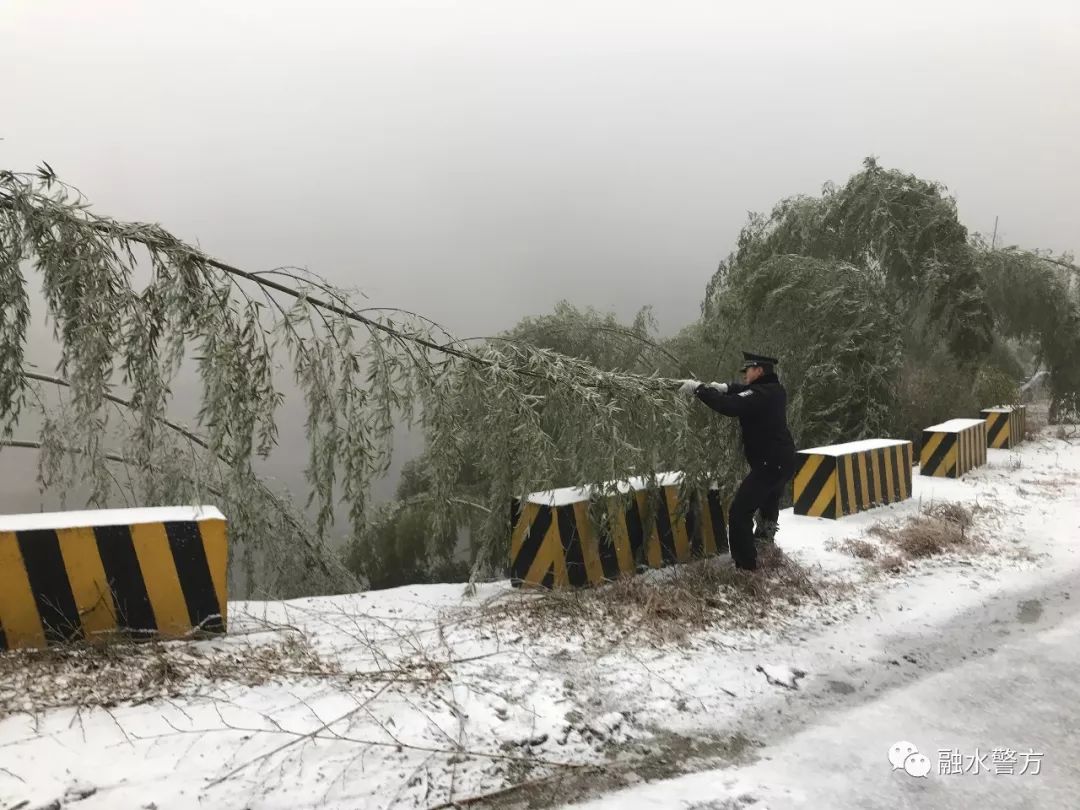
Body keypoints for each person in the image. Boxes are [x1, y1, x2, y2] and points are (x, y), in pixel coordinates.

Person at [677, 352, 797, 571]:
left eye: (747, 370)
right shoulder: (775, 390)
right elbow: (744, 392)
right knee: (768, 504)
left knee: (740, 512)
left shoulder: (761, 394)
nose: (744, 375)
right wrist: (725, 387)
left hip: (769, 464)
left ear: (759, 370)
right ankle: (764, 546)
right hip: (783, 461)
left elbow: (730, 406)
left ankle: (746, 565)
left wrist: (699, 389)